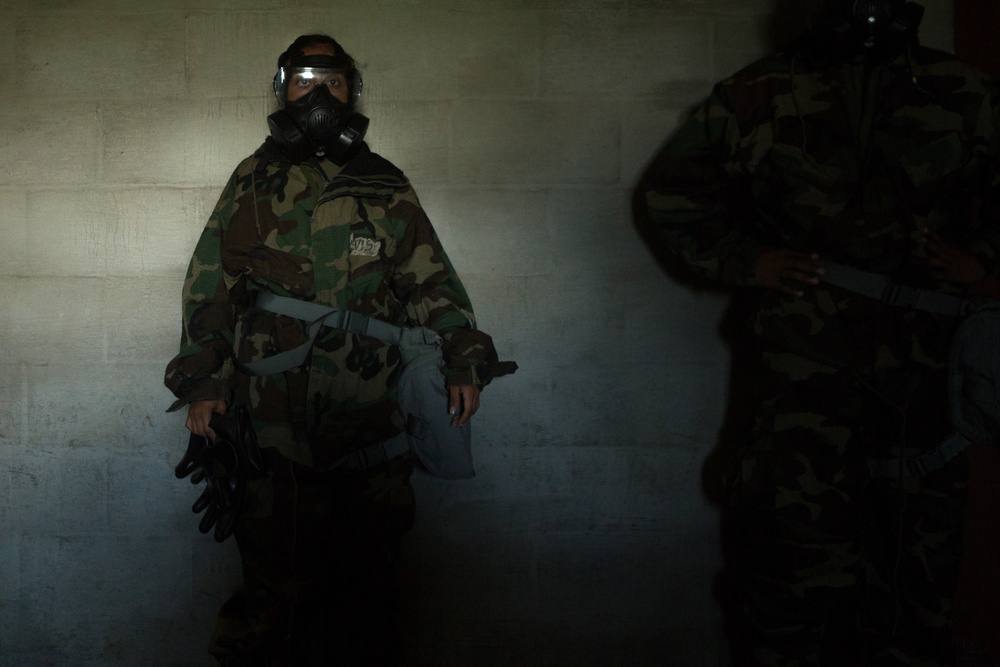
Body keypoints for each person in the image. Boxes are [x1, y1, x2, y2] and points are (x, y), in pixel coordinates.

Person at [640, 1, 1000, 664]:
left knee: (918, 574)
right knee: (790, 567)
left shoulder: (964, 90)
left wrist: (980, 259)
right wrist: (749, 261)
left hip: (926, 376)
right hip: (802, 375)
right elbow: (672, 196)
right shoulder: (759, 92)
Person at [164, 33, 512, 665]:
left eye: (334, 80)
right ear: (281, 88)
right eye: (303, 78)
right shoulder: (253, 180)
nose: (320, 93)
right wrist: (204, 384)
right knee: (272, 601)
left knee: (369, 601)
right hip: (271, 426)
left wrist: (465, 357)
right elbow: (210, 287)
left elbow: (430, 280)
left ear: (352, 91)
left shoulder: (385, 184)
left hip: (370, 422)